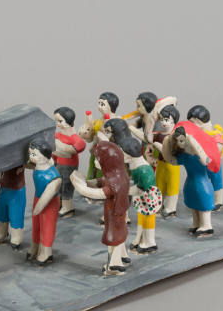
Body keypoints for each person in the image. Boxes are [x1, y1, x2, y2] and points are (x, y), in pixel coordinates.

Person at [70, 141, 131, 275]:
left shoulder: (114, 182)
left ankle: (115, 265)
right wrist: (87, 182)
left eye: (98, 160)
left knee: (113, 238)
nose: (95, 161)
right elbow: (100, 182)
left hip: (114, 214)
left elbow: (97, 193)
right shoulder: (118, 175)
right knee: (119, 235)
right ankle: (122, 256)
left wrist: (80, 186)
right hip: (117, 213)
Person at [161, 121, 221, 237]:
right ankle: (196, 223)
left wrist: (193, 142)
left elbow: (205, 160)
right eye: (177, 141)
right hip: (190, 183)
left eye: (182, 140)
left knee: (203, 205)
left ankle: (206, 225)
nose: (179, 144)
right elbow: (171, 160)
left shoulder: (200, 155)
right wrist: (166, 143)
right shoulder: (185, 155)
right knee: (193, 204)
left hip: (202, 184)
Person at [118, 136, 162, 253]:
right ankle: (140, 238)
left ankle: (149, 242)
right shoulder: (135, 166)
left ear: (129, 155)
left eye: (122, 152)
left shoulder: (143, 170)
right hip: (141, 196)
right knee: (141, 219)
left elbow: (145, 188)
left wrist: (126, 191)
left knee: (148, 219)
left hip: (149, 198)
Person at [28, 139, 62, 265]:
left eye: (34, 154)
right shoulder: (38, 164)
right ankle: (35, 245)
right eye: (30, 153)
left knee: (47, 226)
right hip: (37, 198)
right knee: (36, 224)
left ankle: (46, 252)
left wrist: (38, 208)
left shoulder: (52, 176)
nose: (31, 156)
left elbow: (49, 193)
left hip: (49, 203)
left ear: (45, 156)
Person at [187, 105, 223, 211]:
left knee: (216, 180)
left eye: (193, 123)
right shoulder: (196, 134)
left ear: (199, 121)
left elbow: (218, 148)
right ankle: (201, 198)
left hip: (214, 162)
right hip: (201, 162)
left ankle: (218, 201)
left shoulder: (215, 134)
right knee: (201, 181)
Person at [53, 107, 86, 218]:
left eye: (60, 121)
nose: (57, 124)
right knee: (58, 184)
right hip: (59, 164)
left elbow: (80, 145)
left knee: (67, 185)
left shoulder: (74, 137)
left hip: (69, 166)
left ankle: (67, 207)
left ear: (68, 120)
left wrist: (63, 147)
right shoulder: (58, 135)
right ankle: (58, 204)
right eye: (56, 121)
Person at [151, 105, 181, 218]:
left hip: (173, 164)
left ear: (174, 120)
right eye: (162, 119)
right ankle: (158, 206)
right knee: (159, 184)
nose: (163, 122)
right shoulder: (159, 135)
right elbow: (151, 144)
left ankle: (170, 208)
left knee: (172, 186)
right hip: (161, 163)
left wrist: (159, 147)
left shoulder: (175, 136)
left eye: (167, 120)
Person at [0, 166, 26, 249]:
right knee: (2, 213)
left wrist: (24, 165)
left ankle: (16, 234)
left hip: (17, 190)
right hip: (3, 188)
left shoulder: (20, 159)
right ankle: (1, 232)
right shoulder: (2, 161)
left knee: (15, 215)